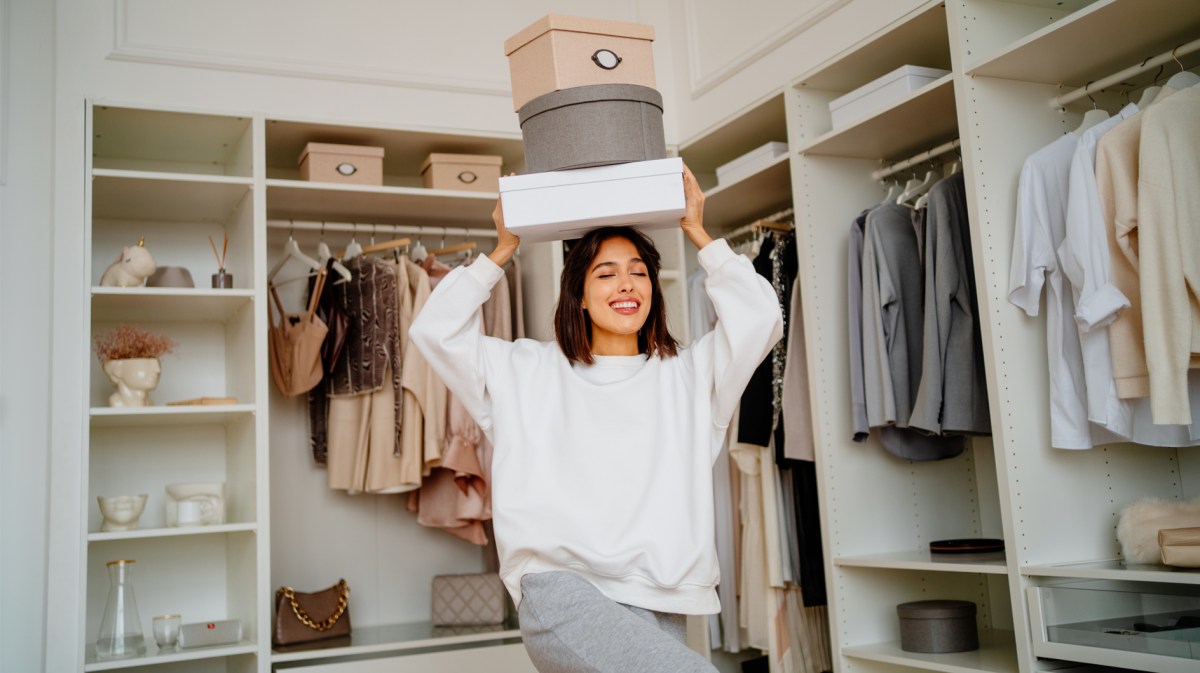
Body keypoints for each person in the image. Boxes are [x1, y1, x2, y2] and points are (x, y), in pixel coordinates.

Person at [409, 165, 783, 672]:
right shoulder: (525, 370)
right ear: (579, 296)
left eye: (638, 271)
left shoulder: (692, 374)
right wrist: (501, 250)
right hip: (560, 590)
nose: (626, 284)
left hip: (662, 597)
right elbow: (435, 330)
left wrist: (698, 232)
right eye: (605, 274)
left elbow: (760, 319)